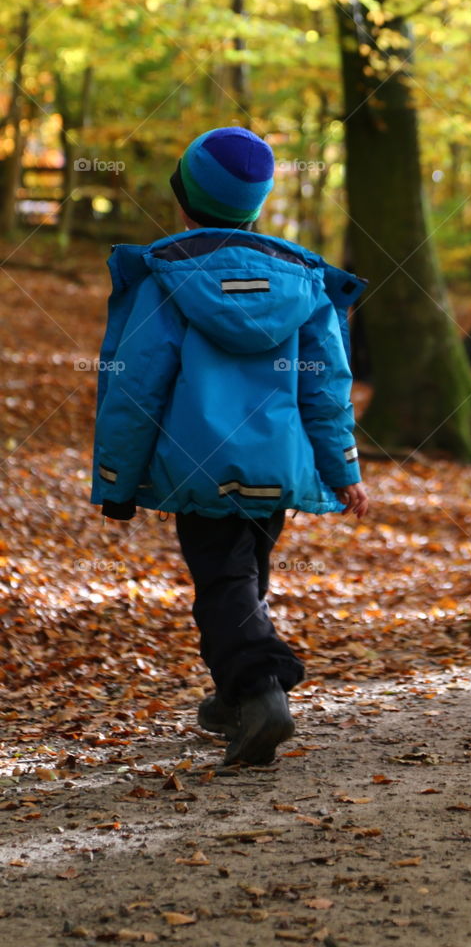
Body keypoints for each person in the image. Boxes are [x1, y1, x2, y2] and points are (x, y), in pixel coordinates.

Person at [91, 127, 369, 766]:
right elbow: (325, 390)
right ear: (256, 206)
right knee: (243, 579)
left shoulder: (166, 279)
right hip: (276, 467)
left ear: (184, 199)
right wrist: (343, 467)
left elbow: (135, 390)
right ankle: (233, 697)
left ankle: (260, 688)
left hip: (199, 467)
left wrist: (118, 480)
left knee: (224, 584)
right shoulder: (305, 284)